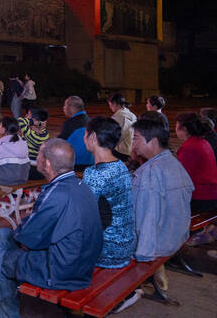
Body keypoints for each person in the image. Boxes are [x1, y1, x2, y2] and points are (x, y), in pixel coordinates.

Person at [0, 139, 102, 317]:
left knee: (5, 260)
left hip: (62, 271)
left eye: (39, 154)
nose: (36, 157)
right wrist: (30, 223)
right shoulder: (81, 186)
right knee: (1, 235)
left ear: (47, 163)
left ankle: (3, 311)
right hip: (82, 264)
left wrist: (27, 223)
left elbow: (28, 239)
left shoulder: (55, 193)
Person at [131, 118, 193, 262]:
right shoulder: (172, 162)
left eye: (135, 138)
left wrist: (143, 254)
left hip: (158, 245)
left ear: (153, 141)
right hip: (175, 238)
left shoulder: (150, 172)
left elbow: (148, 218)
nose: (133, 144)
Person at [82, 117, 136, 269]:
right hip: (126, 245)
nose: (84, 138)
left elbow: (83, 214)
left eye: (85, 134)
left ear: (93, 137)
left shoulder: (95, 174)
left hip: (107, 251)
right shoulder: (121, 166)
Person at [175, 113, 217, 213]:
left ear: (184, 129)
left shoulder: (190, 147)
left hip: (202, 198)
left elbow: (180, 177)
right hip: (210, 195)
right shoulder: (201, 141)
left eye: (176, 125)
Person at [0, 117, 30, 186]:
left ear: (4, 129)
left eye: (0, 125)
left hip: (5, 181)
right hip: (23, 178)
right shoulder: (23, 143)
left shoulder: (0, 146)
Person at [59, 96, 91, 169]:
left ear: (71, 107)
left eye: (65, 105)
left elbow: (60, 143)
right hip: (89, 163)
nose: (63, 108)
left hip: (74, 163)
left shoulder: (70, 124)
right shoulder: (91, 121)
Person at [18, 107, 50, 180]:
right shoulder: (45, 134)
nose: (26, 117)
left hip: (29, 169)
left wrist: (32, 121)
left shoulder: (29, 134)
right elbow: (41, 129)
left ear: (34, 120)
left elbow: (20, 121)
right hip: (40, 169)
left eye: (28, 116)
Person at [108, 93, 136, 161]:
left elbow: (115, 137)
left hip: (121, 152)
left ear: (114, 104)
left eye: (110, 105)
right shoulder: (132, 115)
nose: (110, 107)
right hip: (131, 150)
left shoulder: (117, 117)